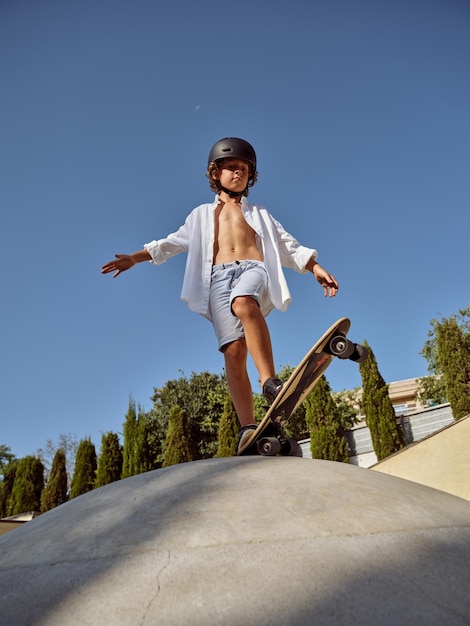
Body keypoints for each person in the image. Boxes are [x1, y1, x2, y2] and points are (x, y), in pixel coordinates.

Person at [101, 137, 338, 452]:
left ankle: (269, 381)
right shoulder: (200, 215)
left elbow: (286, 244)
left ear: (250, 176)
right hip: (216, 278)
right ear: (216, 174)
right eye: (231, 168)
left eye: (243, 169)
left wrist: (314, 266)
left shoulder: (261, 213)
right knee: (233, 351)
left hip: (253, 269)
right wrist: (134, 257)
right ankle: (248, 427)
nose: (238, 173)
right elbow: (169, 243)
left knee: (244, 302)